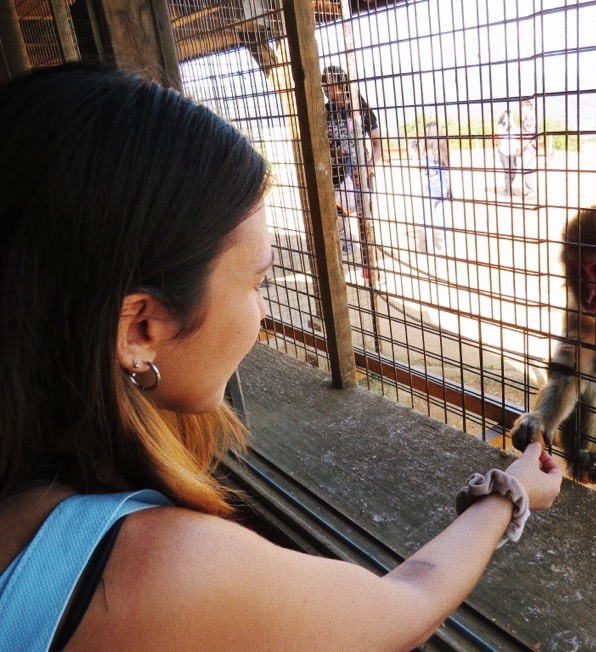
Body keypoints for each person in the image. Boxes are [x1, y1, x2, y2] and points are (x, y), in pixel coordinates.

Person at [0, 65, 562, 650]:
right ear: (140, 328)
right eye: (257, 282)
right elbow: (406, 605)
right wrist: (511, 492)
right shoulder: (159, 571)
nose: (263, 312)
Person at [321, 64, 382, 254]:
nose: (325, 89)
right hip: (337, 175)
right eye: (324, 84)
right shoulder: (324, 111)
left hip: (360, 173)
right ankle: (346, 250)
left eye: (329, 84)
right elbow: (322, 145)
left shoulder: (360, 107)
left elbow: (378, 144)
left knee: (365, 218)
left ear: (341, 84)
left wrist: (367, 169)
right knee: (338, 217)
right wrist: (333, 152)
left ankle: (368, 259)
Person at [410, 122, 452, 255]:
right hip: (443, 187)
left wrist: (419, 153)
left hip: (431, 189)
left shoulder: (428, 153)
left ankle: (431, 250)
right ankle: (447, 247)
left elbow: (421, 166)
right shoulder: (442, 151)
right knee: (443, 218)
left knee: (427, 219)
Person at [518, 98, 539, 199]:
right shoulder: (527, 118)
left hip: (529, 146)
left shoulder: (530, 118)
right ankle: (531, 191)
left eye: (522, 106)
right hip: (528, 146)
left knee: (526, 168)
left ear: (528, 107)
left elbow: (530, 135)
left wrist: (521, 147)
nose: (521, 109)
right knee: (526, 167)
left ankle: (531, 191)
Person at [495, 108, 519, 196]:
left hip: (512, 152)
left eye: (510, 116)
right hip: (503, 152)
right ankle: (509, 192)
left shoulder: (513, 126)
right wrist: (506, 125)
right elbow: (500, 135)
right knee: (507, 172)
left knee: (514, 171)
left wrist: (513, 124)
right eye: (507, 116)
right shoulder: (500, 126)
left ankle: (507, 187)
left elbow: (518, 133)